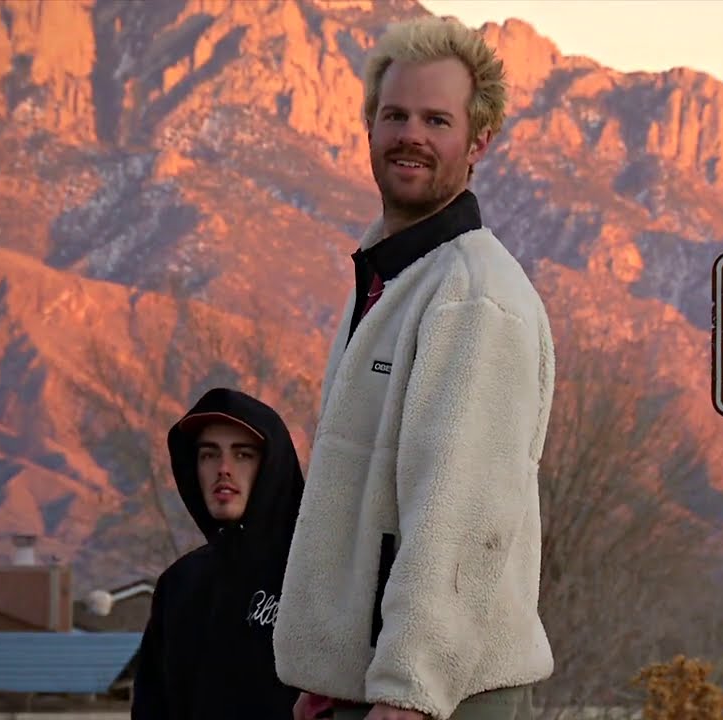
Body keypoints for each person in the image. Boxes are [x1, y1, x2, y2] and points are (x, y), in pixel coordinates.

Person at [272, 14, 556, 720]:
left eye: (437, 119)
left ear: (477, 142)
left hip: (444, 694)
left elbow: (460, 511)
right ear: (369, 125)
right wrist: (331, 667)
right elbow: (363, 502)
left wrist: (411, 687)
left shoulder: (474, 297)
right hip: (378, 682)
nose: (411, 136)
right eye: (395, 114)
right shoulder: (392, 278)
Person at [131, 387, 306, 719]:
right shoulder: (180, 584)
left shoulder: (314, 573)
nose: (223, 468)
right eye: (208, 454)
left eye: (242, 454)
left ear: (272, 465)